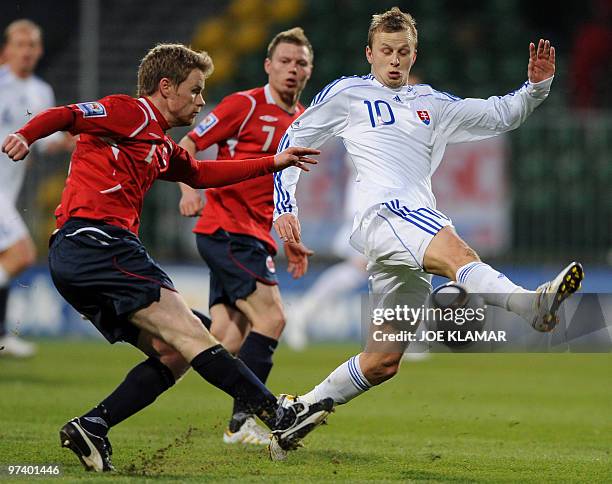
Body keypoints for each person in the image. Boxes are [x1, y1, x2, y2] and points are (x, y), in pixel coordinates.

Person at [2, 42, 332, 472]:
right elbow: (67, 114)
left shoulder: (159, 143)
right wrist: (25, 135)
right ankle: (279, 416)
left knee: (174, 350)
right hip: (98, 242)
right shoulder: (131, 112)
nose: (199, 101)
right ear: (165, 87)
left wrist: (273, 162)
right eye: (195, 91)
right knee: (195, 336)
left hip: (86, 256)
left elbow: (201, 173)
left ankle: (93, 425)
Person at [273, 8, 583, 409]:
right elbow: (292, 142)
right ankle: (530, 304)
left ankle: (298, 410)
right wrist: (285, 205)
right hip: (383, 215)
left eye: (403, 51)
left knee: (382, 360)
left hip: (405, 231)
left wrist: (535, 88)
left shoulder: (431, 103)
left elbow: (498, 114)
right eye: (386, 50)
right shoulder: (347, 94)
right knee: (459, 253)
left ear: (414, 55)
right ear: (369, 53)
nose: (395, 59)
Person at [177, 27, 314, 445]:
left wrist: (290, 237)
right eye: (285, 61)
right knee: (273, 317)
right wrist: (188, 189)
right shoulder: (244, 104)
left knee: (227, 338)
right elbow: (188, 142)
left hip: (254, 234)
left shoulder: (303, 119)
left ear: (310, 71)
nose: (293, 69)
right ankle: (244, 422)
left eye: (301, 63)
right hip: (227, 228)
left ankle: (167, 323)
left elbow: (285, 185)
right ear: (268, 66)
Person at [0, 19, 72, 357]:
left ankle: (3, 334)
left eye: (32, 45)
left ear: (40, 50)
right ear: (7, 48)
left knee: (6, 258)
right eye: (20, 44)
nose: (27, 50)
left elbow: (48, 142)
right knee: (21, 254)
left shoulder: (42, 91)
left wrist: (80, 137)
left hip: (8, 191)